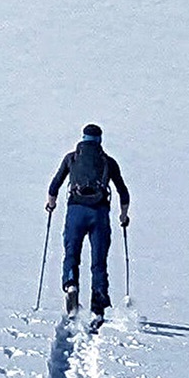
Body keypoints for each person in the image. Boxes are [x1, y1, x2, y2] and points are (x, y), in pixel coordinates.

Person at [47, 124, 130, 316]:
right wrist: (123, 216)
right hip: (99, 214)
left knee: (71, 253)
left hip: (75, 211)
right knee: (99, 260)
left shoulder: (71, 158)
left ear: (83, 139)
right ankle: (98, 303)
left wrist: (51, 205)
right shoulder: (108, 162)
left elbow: (54, 186)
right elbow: (123, 193)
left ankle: (71, 285)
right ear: (100, 140)